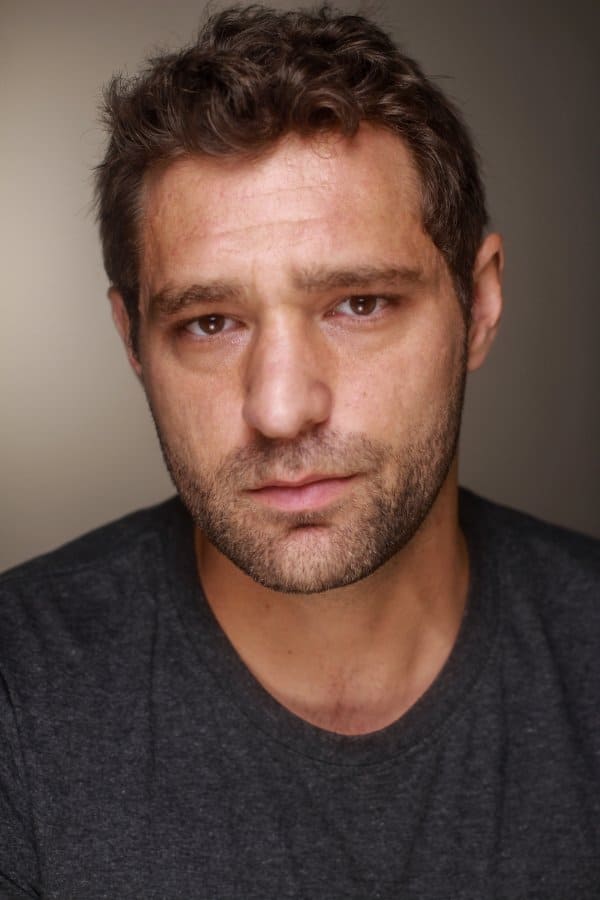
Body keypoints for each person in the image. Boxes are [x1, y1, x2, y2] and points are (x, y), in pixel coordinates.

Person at [1, 5, 598, 897]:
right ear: (132, 342)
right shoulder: (18, 694)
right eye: (210, 322)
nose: (281, 410)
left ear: (479, 304)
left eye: (359, 304)